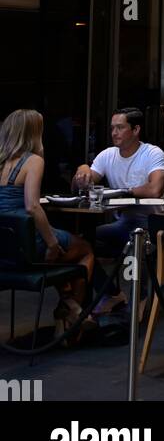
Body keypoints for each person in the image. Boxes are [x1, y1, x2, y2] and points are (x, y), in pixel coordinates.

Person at [0, 109, 94, 330]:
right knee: (85, 249)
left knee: (59, 257)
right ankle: (71, 311)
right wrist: (51, 243)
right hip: (26, 242)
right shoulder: (32, 161)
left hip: (5, 246)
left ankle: (70, 304)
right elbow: (32, 206)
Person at [73, 107, 164, 311]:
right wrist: (82, 171)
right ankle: (112, 294)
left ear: (135, 130)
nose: (114, 133)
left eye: (120, 127)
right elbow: (87, 181)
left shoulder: (152, 153)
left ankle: (138, 302)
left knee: (136, 242)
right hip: (123, 223)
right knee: (81, 244)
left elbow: (155, 189)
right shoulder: (108, 155)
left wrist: (123, 192)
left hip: (151, 223)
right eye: (112, 128)